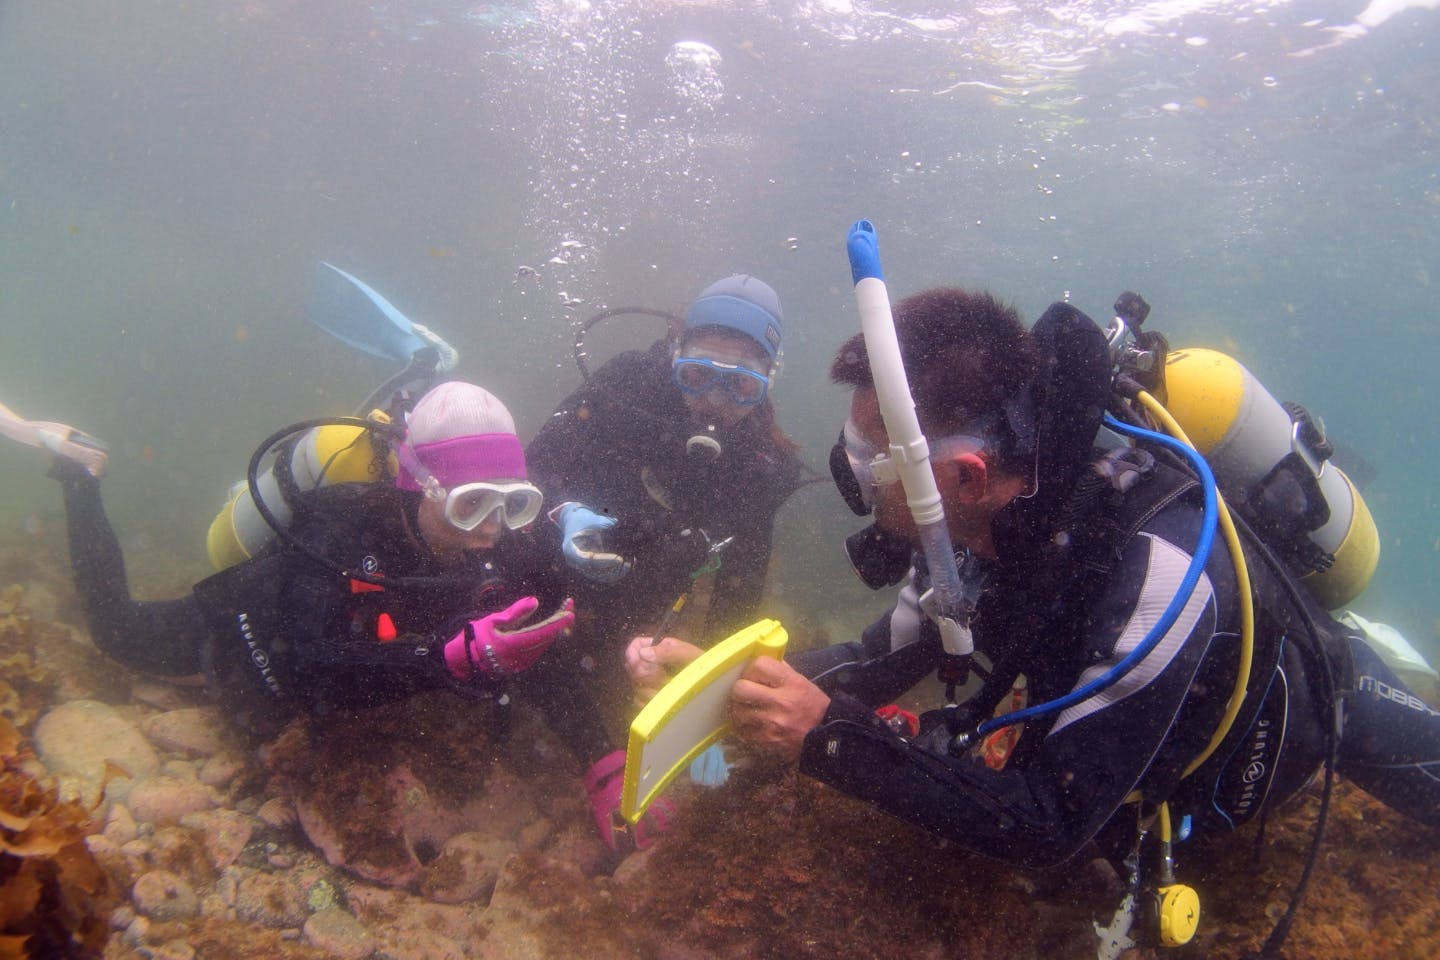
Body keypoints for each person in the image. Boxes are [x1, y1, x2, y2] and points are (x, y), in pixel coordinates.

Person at [627, 287, 1440, 941]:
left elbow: (1050, 822)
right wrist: (712, 679)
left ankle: (1364, 653)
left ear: (967, 476)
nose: (859, 483)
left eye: (871, 462)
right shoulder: (965, 537)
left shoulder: (1162, 573)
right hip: (1127, 752)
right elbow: (879, 660)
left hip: (1287, 736)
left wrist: (829, 738)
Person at [5, 381, 617, 766]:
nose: (491, 529)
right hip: (238, 632)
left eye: (513, 503)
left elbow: (545, 645)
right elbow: (302, 665)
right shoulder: (343, 528)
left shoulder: (500, 540)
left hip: (371, 648)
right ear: (419, 485)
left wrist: (604, 762)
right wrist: (441, 661)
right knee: (116, 630)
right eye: (469, 503)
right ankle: (82, 474)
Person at [526, 274, 806, 848]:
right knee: (521, 590)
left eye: (741, 387)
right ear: (674, 353)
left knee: (623, 648)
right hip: (559, 553)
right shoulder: (624, 385)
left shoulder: (761, 460)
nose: (714, 402)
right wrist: (562, 514)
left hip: (642, 587)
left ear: (768, 383)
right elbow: (534, 466)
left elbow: (740, 589)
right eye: (698, 375)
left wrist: (709, 711)